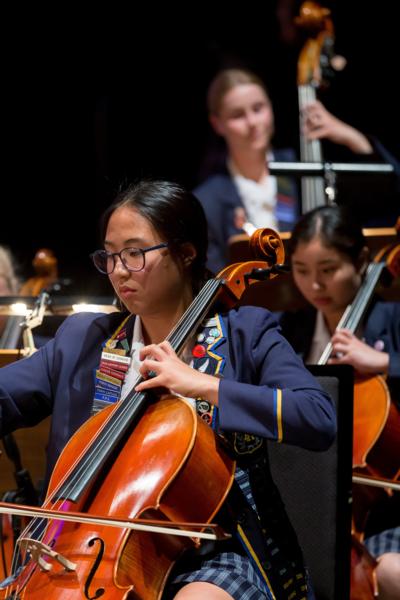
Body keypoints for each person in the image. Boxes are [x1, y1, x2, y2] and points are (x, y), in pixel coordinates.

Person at [0, 180, 336, 599]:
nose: (119, 270)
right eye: (111, 255)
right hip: (83, 553)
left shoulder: (246, 334)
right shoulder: (83, 340)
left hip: (211, 553)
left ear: (185, 252)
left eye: (135, 253)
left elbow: (318, 417)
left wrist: (206, 385)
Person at [278, 205, 400, 600]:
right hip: (301, 500)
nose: (314, 285)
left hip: (383, 515)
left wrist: (383, 362)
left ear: (361, 262)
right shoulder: (286, 331)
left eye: (328, 269)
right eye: (301, 270)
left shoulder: (392, 318)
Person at [194, 68, 299, 274]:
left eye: (258, 108)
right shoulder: (206, 200)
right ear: (217, 124)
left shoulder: (301, 169)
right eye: (237, 115)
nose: (252, 123)